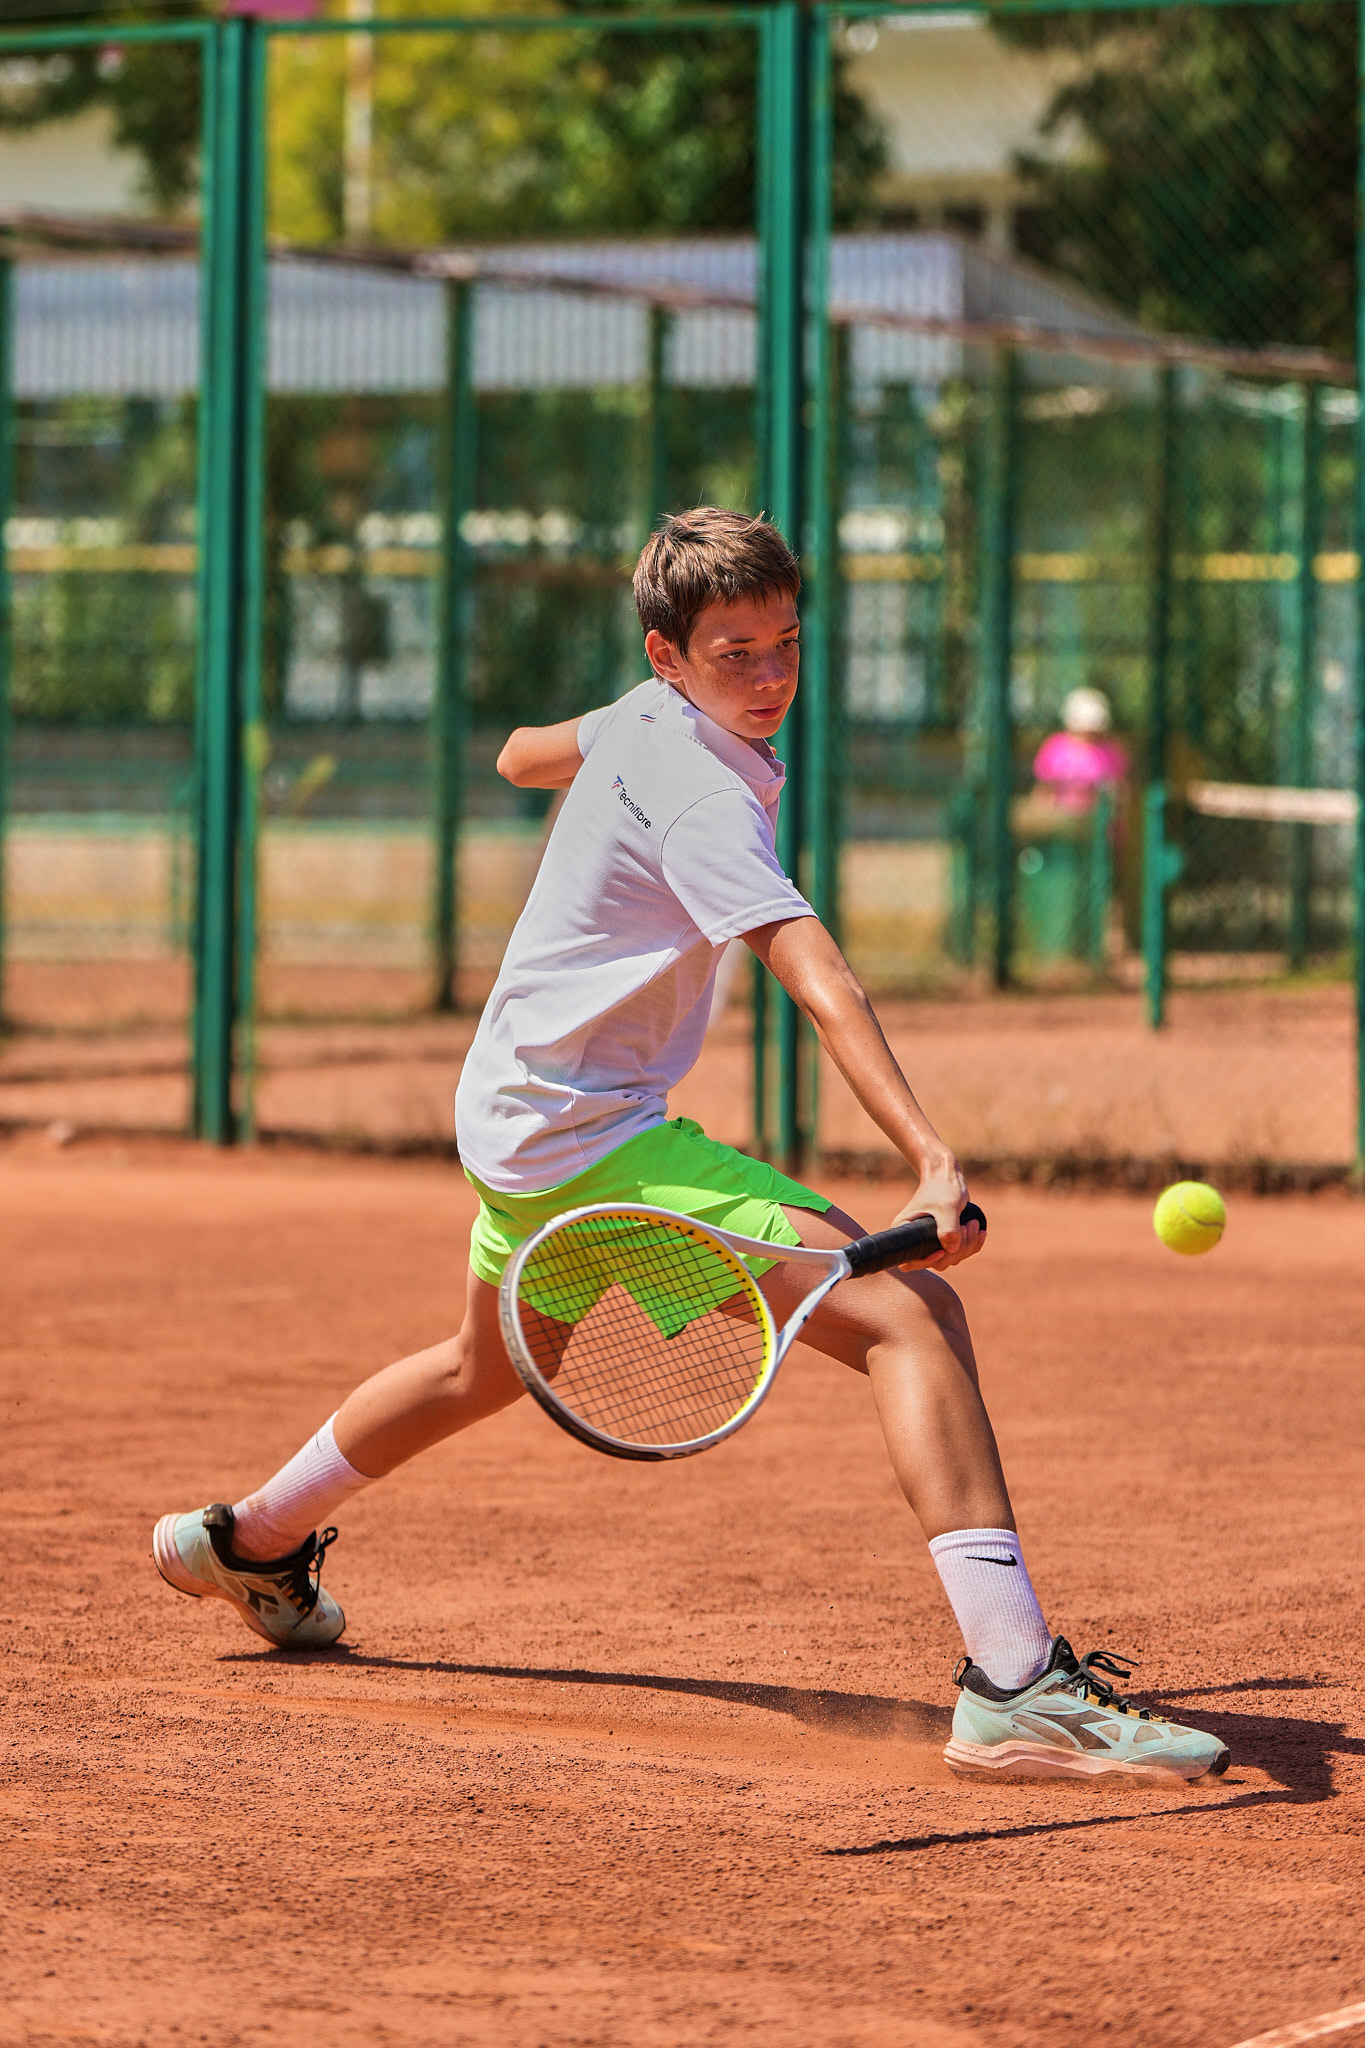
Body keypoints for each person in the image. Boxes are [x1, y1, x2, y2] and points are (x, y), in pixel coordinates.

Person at [153, 509, 1226, 1782]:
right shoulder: (702, 791)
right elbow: (816, 975)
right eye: (735, 653)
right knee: (908, 1316)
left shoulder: (644, 713)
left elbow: (512, 754)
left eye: (783, 645)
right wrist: (933, 1159)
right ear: (672, 652)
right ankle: (1015, 1685)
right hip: (592, 1131)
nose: (769, 678)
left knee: (479, 1369)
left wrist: (610, 739)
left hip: (514, 1112)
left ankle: (249, 1538)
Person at [1032, 687, 1128, 811]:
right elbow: (1042, 791)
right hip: (1062, 819)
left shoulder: (1112, 751)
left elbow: (1122, 790)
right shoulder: (1055, 748)